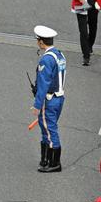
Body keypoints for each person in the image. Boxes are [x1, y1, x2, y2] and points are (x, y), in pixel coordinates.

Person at [31, 25, 66, 173]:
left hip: (49, 99)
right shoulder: (59, 55)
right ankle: (45, 160)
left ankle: (54, 163)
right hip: (59, 97)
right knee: (47, 127)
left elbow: (44, 84)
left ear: (41, 42)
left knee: (50, 130)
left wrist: (37, 105)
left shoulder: (46, 60)